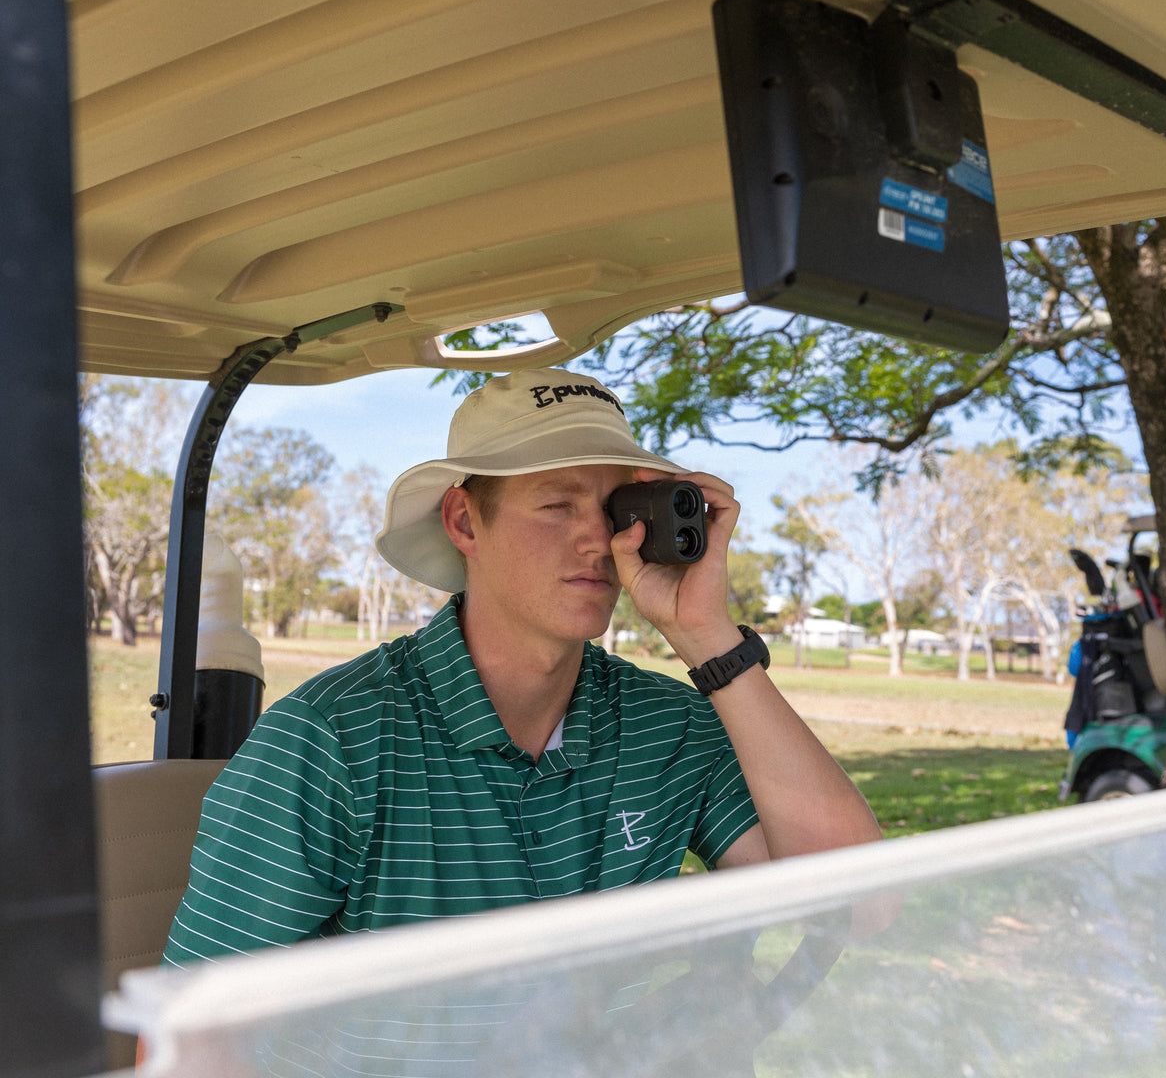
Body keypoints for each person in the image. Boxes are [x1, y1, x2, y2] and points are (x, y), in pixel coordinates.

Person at [163, 368, 880, 967]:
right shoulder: (331, 742)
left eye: (616, 509)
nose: (599, 541)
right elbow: (196, 1037)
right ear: (466, 522)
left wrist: (710, 639)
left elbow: (865, 903)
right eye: (557, 504)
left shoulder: (674, 726)